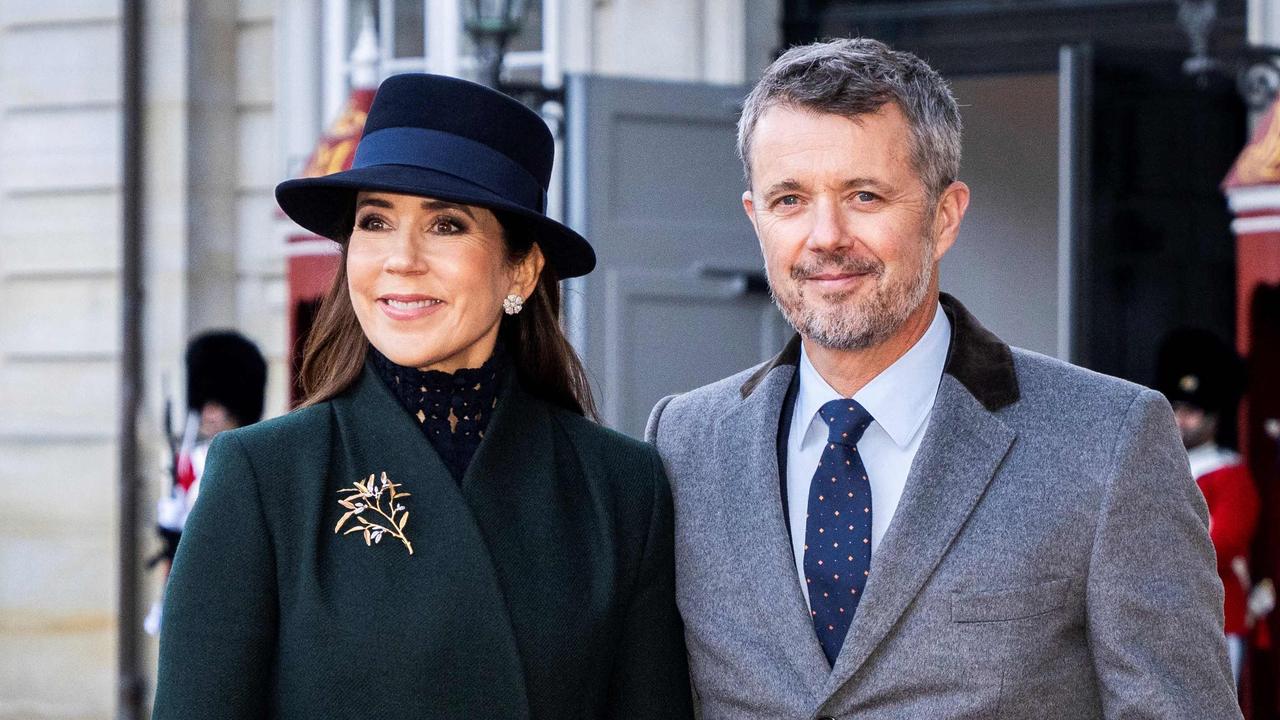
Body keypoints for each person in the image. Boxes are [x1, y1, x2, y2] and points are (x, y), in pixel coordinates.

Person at [646, 38, 1240, 718]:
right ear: (756, 219)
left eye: (864, 195)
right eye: (790, 200)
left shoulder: (1108, 445)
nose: (825, 236)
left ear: (945, 214)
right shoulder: (683, 445)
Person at [154, 73, 692, 719]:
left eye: (446, 225)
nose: (400, 259)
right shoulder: (263, 476)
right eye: (375, 221)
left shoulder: (621, 486)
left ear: (520, 269)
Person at [146, 330, 268, 635]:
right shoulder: (191, 458)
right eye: (205, 402)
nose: (208, 412)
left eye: (219, 403)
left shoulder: (255, 459)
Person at [1157, 327, 1260, 686]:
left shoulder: (1231, 474)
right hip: (1162, 612)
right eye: (1177, 407)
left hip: (1216, 616)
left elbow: (1222, 542)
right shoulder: (1157, 465)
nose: (1181, 419)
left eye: (1193, 410)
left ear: (1215, 415)